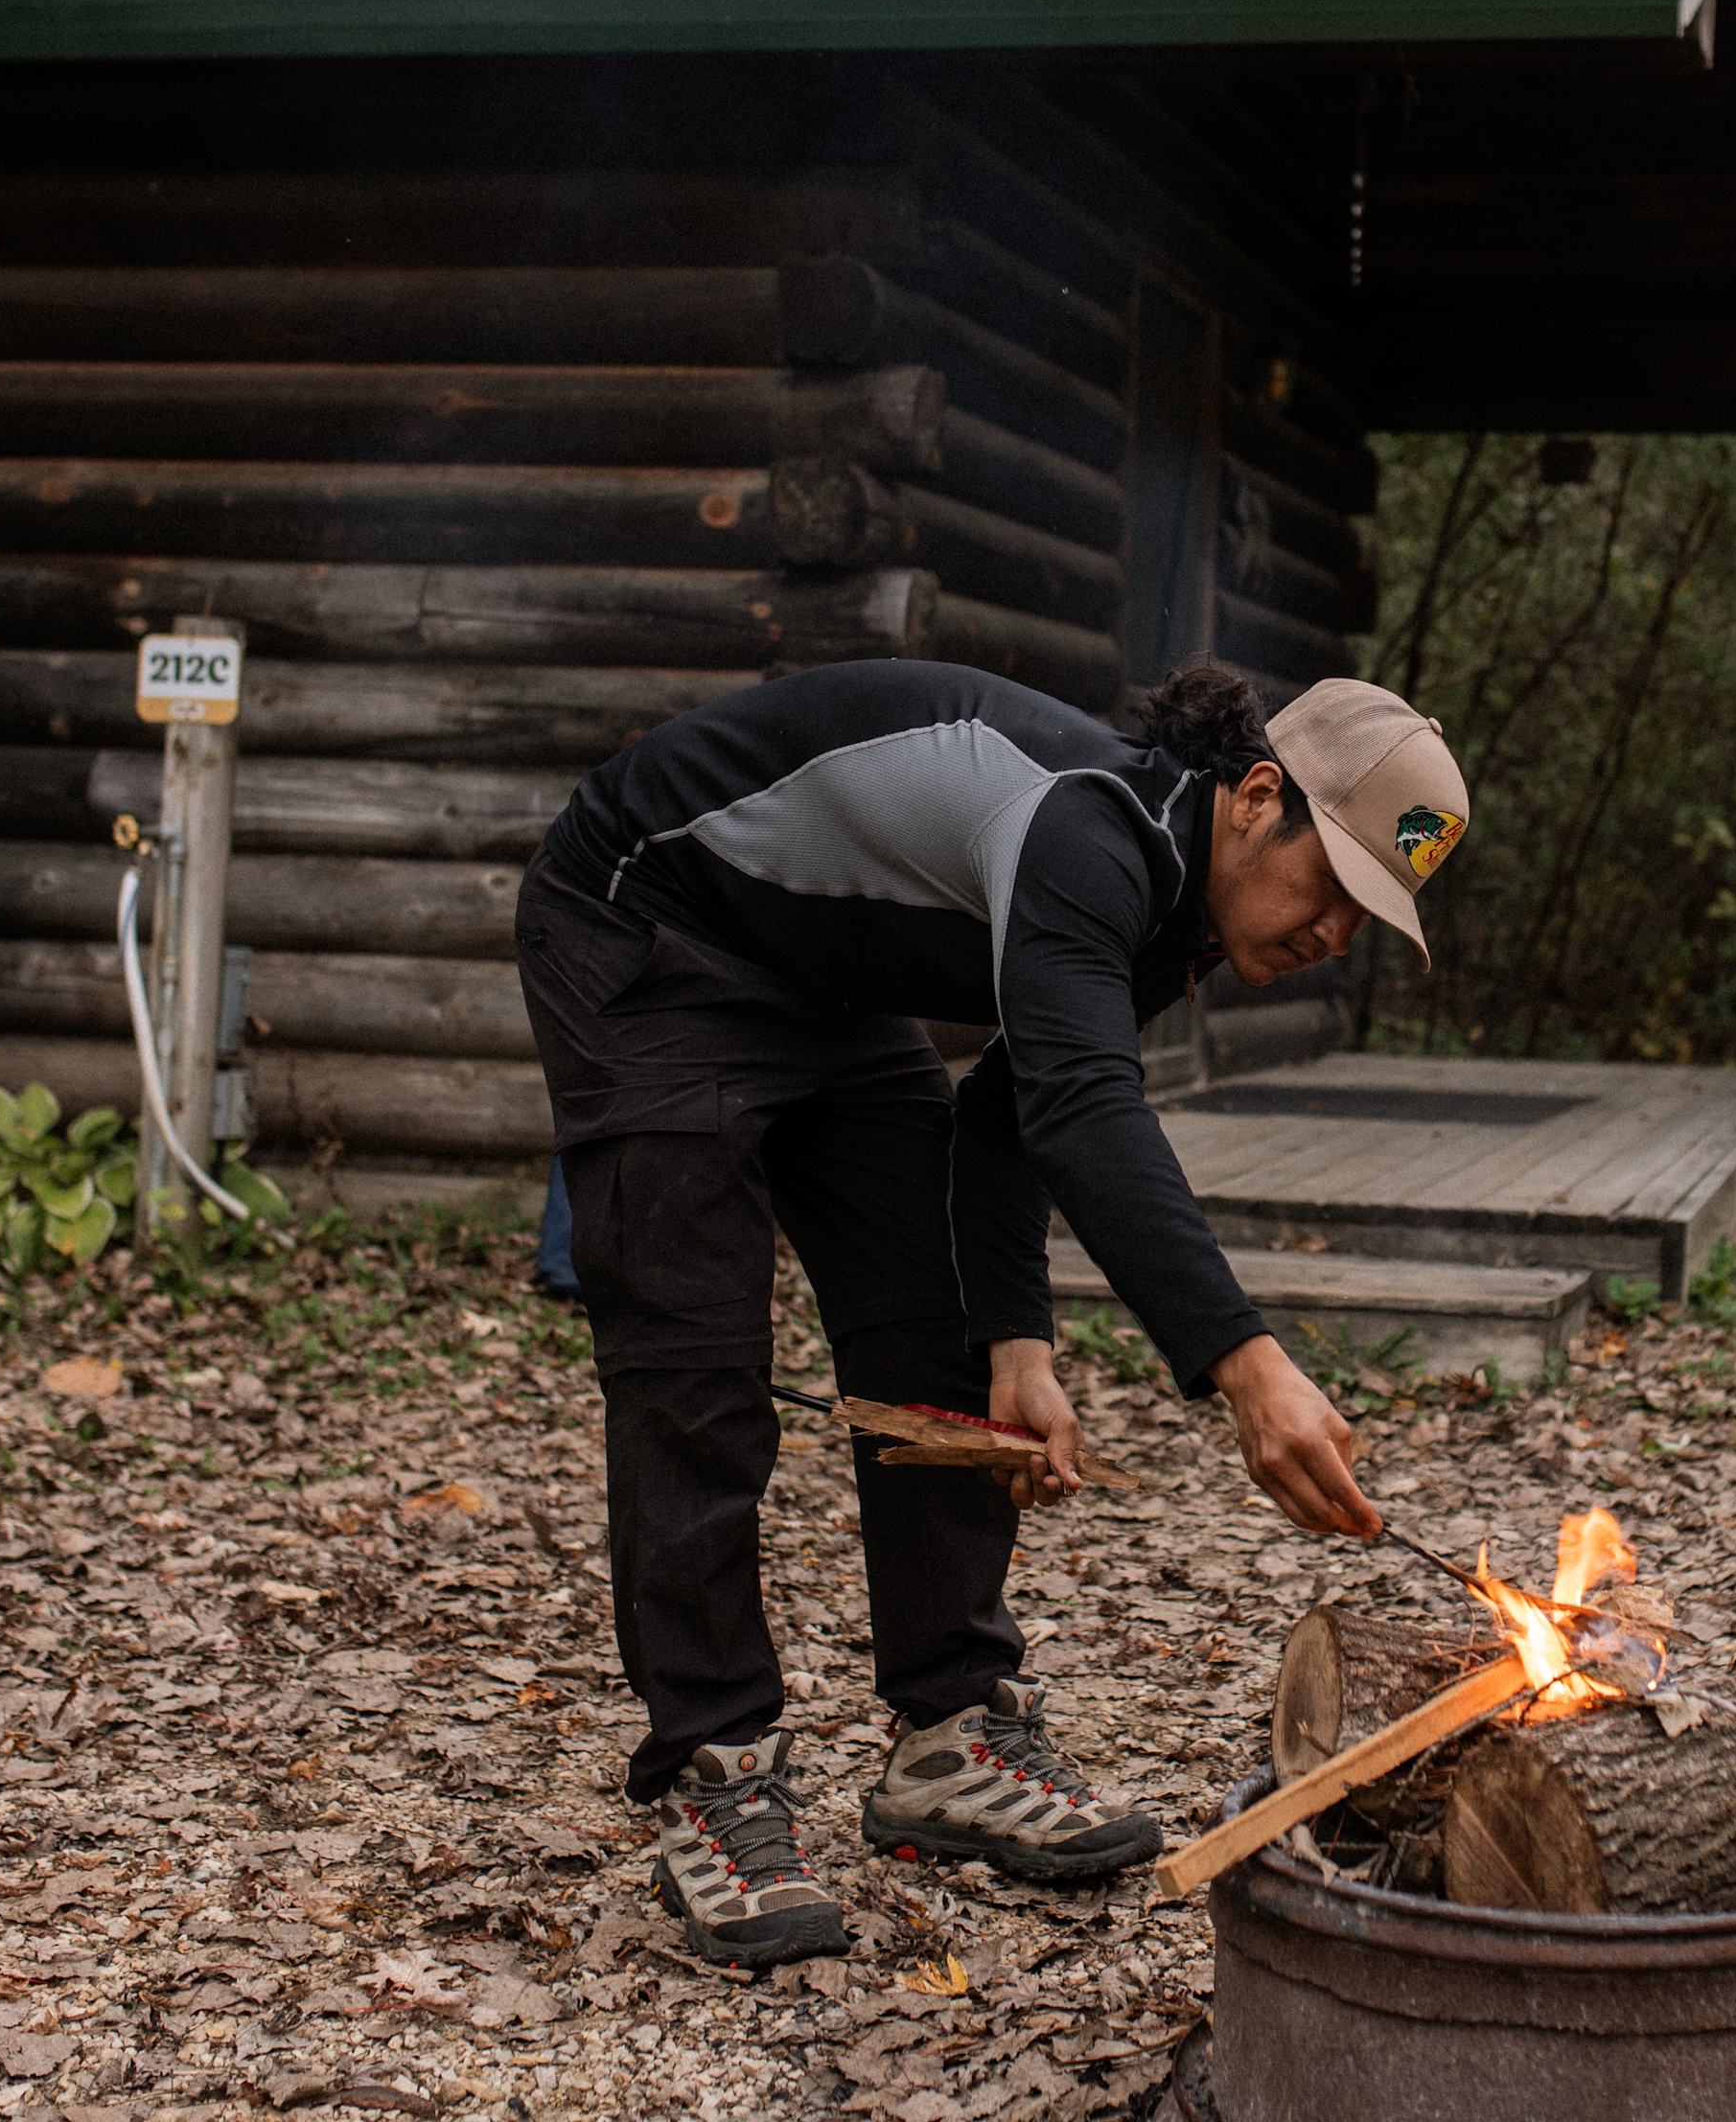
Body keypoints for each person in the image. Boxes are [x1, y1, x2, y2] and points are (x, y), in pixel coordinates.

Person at [513, 656, 1470, 1964]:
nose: (1334, 937)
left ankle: (950, 1737)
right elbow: (1085, 1105)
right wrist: (1244, 1367)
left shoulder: (1168, 908)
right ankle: (712, 1765)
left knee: (934, 1320)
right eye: (1337, 886)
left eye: (1372, 916)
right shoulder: (1090, 833)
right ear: (1258, 797)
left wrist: (1017, 1342)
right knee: (696, 1359)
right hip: (647, 923)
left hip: (820, 981)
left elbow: (1011, 1107)